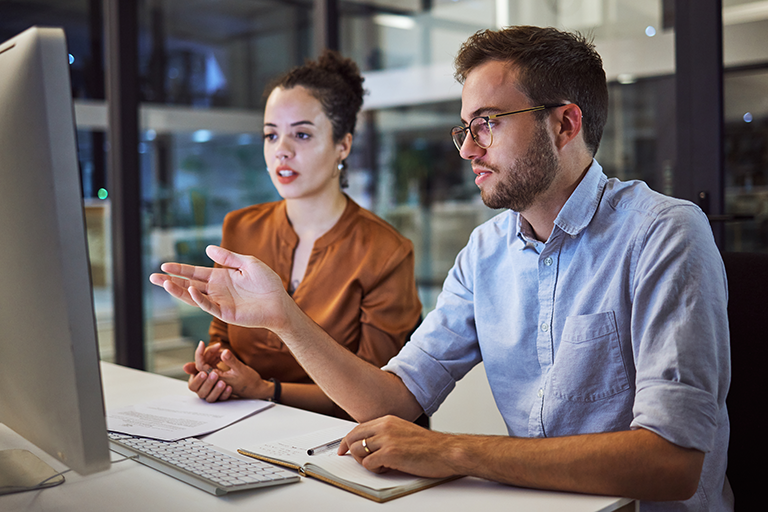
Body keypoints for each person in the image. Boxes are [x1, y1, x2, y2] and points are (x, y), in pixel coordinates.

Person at [150, 26, 732, 511]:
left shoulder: (664, 234)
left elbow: (672, 463)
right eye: (465, 129)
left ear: (565, 124)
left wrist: (452, 450)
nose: (467, 150)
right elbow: (393, 400)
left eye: (488, 124)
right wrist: (282, 317)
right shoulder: (484, 254)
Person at [180, 50, 422, 419]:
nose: (282, 151)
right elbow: (223, 336)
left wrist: (265, 390)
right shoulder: (241, 227)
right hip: (242, 428)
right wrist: (218, 368)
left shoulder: (385, 251)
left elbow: (378, 392)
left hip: (338, 444)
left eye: (302, 135)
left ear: (343, 145)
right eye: (271, 135)